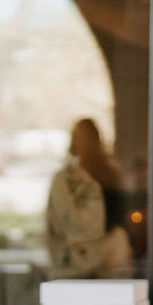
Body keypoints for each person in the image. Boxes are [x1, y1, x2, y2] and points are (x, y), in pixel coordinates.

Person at [46, 118, 132, 279]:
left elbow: (119, 213)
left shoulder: (106, 174)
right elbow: (57, 222)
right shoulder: (66, 179)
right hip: (81, 257)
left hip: (98, 257)